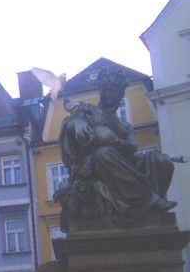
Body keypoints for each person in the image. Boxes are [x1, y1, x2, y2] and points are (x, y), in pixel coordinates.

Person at [58, 70, 176, 219]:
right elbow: (70, 133)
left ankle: (152, 214)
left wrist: (114, 141)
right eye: (106, 89)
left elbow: (132, 147)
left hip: (124, 164)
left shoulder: (125, 126)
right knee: (104, 153)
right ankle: (151, 200)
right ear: (101, 91)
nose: (109, 94)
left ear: (121, 94)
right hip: (94, 168)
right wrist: (75, 122)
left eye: (113, 90)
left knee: (162, 160)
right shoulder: (88, 112)